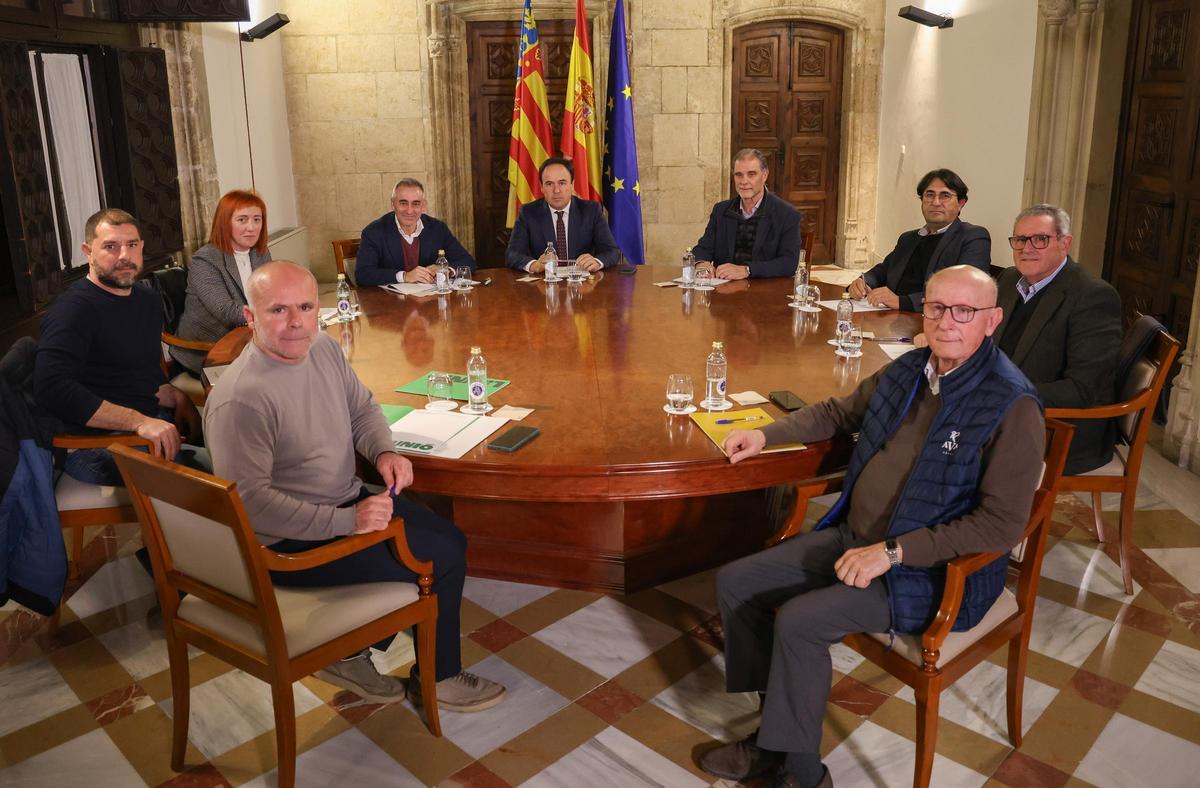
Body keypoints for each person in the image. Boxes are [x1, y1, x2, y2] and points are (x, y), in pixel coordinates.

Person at [706, 265, 1044, 788]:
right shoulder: (911, 369)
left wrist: (893, 552)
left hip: (930, 574)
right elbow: (839, 413)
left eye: (964, 311)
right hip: (855, 538)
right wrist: (765, 434)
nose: (947, 321)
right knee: (737, 582)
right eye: (936, 308)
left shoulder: (1011, 404)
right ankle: (772, 737)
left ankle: (800, 774)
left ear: (992, 320)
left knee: (799, 622)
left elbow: (1001, 525)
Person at [203, 261, 506, 712]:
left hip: (343, 504)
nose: (295, 323)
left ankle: (348, 652)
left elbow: (362, 408)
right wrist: (348, 520)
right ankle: (437, 679)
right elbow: (250, 506)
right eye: (277, 310)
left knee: (448, 537)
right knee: (439, 557)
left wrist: (384, 451)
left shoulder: (321, 347)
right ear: (250, 317)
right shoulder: (240, 399)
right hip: (290, 545)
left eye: (305, 307)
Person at [34, 208, 201, 485]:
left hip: (148, 422)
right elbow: (51, 389)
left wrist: (178, 398)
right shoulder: (72, 311)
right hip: (92, 444)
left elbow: (139, 375)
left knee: (233, 444)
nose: (124, 255)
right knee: (203, 485)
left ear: (141, 247)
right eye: (110, 246)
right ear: (88, 251)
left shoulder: (146, 300)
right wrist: (139, 422)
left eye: (131, 245)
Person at [993, 204, 1121, 474]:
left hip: (1061, 429)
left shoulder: (1092, 296)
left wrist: (1002, 393)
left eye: (1040, 239)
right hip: (1007, 412)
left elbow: (1083, 389)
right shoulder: (1009, 279)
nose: (1027, 248)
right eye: (1020, 240)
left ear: (1065, 243)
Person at [850, 169, 990, 311]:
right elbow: (884, 270)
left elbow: (966, 289)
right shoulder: (908, 239)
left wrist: (903, 302)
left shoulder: (973, 237)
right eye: (929, 195)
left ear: (961, 203)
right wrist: (863, 281)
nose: (935, 202)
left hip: (934, 322)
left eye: (945, 195)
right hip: (889, 317)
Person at [173, 190, 273, 374]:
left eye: (257, 220)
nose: (251, 227)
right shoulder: (205, 260)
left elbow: (271, 295)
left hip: (250, 340)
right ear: (225, 223)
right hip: (209, 350)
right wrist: (275, 316)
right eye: (242, 220)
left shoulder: (260, 253)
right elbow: (226, 311)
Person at [692, 148, 801, 280]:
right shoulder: (721, 210)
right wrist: (702, 264)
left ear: (764, 175)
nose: (743, 181)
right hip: (723, 292)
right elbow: (703, 249)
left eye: (751, 174)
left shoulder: (787, 214)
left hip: (766, 292)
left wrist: (747, 270)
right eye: (739, 175)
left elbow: (789, 263)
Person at [505, 157, 620, 273]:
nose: (556, 190)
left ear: (572, 184)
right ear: (541, 187)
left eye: (562, 183)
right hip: (544, 285)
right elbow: (512, 254)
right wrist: (535, 265)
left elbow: (612, 251)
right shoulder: (528, 213)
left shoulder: (591, 210)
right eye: (549, 184)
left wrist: (597, 261)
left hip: (581, 285)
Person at [354, 178, 476, 286]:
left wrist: (447, 270)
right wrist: (404, 276)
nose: (409, 210)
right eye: (403, 203)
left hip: (430, 304)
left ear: (423, 206)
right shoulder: (374, 232)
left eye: (416, 204)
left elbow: (468, 261)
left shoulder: (437, 228)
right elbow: (363, 274)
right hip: (391, 305)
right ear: (393, 204)